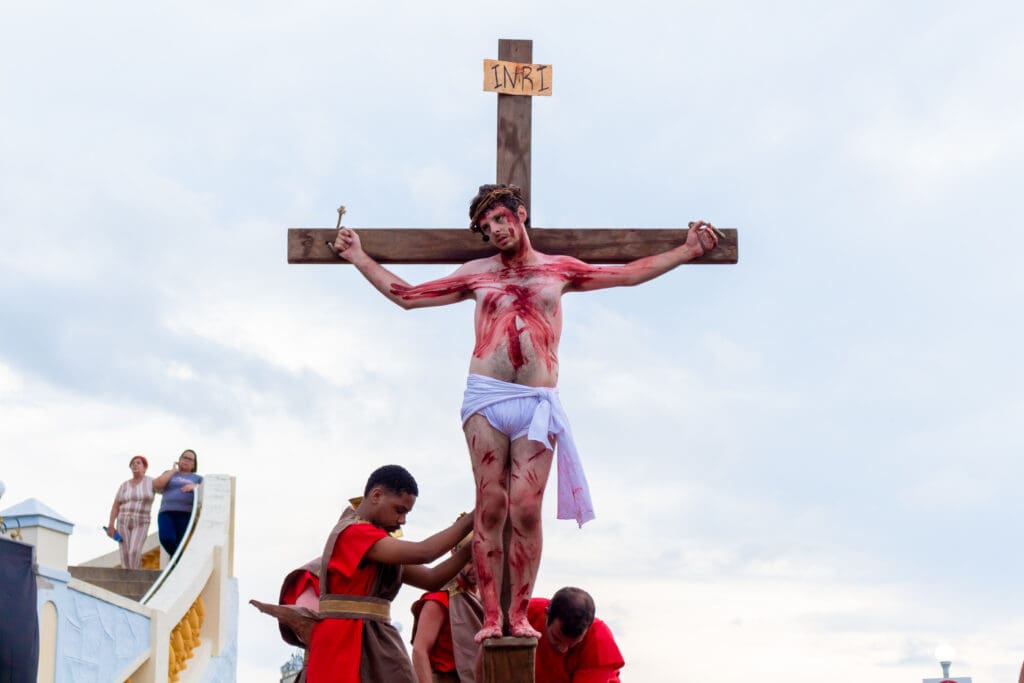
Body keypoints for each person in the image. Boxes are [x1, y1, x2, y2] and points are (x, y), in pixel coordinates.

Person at [332, 183, 719, 639]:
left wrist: (688, 250)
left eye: (501, 218)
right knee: (491, 505)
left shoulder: (559, 269)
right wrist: (358, 256)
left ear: (520, 214)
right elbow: (408, 295)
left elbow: (627, 274)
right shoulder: (478, 274)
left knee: (526, 509)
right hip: (486, 398)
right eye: (486, 226)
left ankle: (517, 615)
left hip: (537, 401)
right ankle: (491, 616)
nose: (496, 230)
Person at [255, 465, 475, 682]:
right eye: (399, 510)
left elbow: (431, 579)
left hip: (376, 641)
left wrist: (470, 548)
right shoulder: (353, 532)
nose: (402, 520)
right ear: (376, 495)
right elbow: (424, 552)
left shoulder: (380, 544)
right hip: (344, 643)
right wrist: (474, 518)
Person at [410, 536, 483, 682]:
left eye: (482, 562)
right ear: (454, 554)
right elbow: (420, 651)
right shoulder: (441, 597)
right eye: (470, 562)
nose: (476, 569)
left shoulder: (487, 597)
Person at [528, 587, 623, 683]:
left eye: (572, 644)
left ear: (588, 628)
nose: (562, 649)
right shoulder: (524, 614)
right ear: (546, 615)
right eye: (556, 638)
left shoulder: (599, 641)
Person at [106, 455, 155, 569]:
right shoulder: (124, 485)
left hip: (141, 522)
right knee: (125, 554)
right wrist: (111, 525)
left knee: (134, 551)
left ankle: (136, 574)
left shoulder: (151, 482)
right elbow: (115, 506)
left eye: (138, 463)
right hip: (123, 521)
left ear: (145, 468)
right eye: (132, 464)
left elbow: (164, 486)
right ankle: (127, 576)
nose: (135, 465)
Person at [153, 449, 202, 556]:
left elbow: (206, 489)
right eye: (184, 457)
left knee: (178, 544)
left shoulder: (197, 478)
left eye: (190, 459)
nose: (186, 460)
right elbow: (156, 485)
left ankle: (177, 564)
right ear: (179, 459)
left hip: (185, 514)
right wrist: (173, 471)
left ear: (193, 464)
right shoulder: (169, 473)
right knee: (166, 539)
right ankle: (182, 560)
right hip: (166, 512)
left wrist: (195, 486)